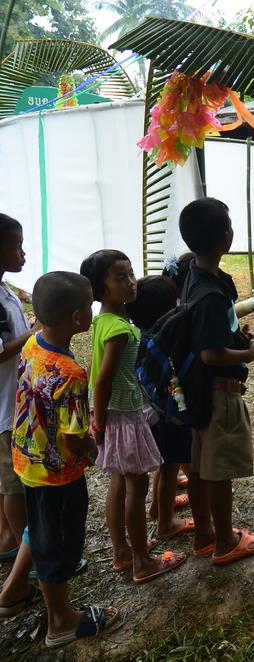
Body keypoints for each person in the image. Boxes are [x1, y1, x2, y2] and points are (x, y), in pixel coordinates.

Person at [6, 272, 119, 646]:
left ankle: (17, 593)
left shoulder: (33, 345)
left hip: (28, 462)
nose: (91, 311)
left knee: (40, 531)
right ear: (76, 318)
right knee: (56, 544)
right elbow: (73, 434)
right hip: (57, 475)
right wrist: (91, 449)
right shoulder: (70, 372)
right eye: (88, 305)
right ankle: (61, 622)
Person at [81, 250, 186, 583]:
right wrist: (97, 420)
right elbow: (102, 377)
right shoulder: (120, 331)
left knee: (119, 483)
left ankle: (123, 551)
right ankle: (142, 560)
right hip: (124, 413)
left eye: (131, 274)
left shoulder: (103, 321)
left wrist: (98, 413)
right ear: (99, 289)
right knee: (136, 486)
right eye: (120, 277)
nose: (131, 282)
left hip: (113, 413)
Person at [178, 198, 254, 564]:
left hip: (198, 390)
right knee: (217, 472)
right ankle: (225, 542)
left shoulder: (197, 278)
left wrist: (235, 339)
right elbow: (209, 354)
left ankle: (204, 534)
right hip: (218, 393)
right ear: (226, 238)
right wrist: (245, 354)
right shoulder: (210, 294)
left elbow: (214, 337)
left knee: (200, 466)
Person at [126, 275, 194, 541]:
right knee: (169, 467)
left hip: (149, 414)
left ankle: (158, 508)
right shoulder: (160, 342)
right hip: (164, 414)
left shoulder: (137, 337)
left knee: (166, 464)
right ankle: (166, 522)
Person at [0, 215, 32, 562]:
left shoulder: (5, 288)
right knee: (13, 485)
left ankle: (8, 538)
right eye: (16, 246)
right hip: (4, 407)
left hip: (12, 399)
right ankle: (30, 551)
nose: (23, 254)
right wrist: (36, 332)